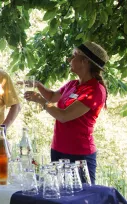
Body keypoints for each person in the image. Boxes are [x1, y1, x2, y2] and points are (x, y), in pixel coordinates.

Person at [24, 41, 109, 184]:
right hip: (58, 149)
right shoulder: (72, 84)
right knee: (60, 196)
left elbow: (64, 116)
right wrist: (38, 85)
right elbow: (52, 96)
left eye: (74, 56)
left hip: (80, 155)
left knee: (81, 200)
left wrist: (39, 100)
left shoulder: (95, 89)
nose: (69, 59)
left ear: (85, 62)